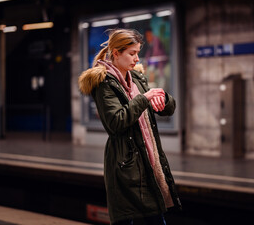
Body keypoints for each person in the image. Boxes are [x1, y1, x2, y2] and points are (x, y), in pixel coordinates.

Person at [78, 28, 181, 225]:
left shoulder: (137, 78)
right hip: (125, 166)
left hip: (148, 162)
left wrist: (163, 99)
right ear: (116, 53)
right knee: (131, 219)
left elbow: (167, 110)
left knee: (155, 217)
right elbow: (116, 121)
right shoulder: (104, 83)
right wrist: (144, 99)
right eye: (131, 53)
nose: (136, 58)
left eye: (138, 53)